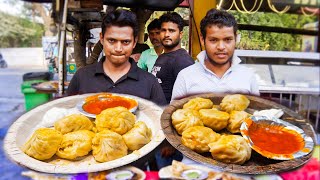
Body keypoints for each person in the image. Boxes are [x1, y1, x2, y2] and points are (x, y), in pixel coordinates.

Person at [67, 9, 166, 106]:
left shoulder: (150, 82)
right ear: (101, 38)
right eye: (112, 40)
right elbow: (65, 115)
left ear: (134, 42)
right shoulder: (82, 77)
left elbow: (159, 119)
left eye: (125, 42)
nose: (118, 48)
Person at [171, 9, 260, 101]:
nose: (221, 47)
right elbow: (173, 113)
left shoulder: (248, 76)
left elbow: (258, 114)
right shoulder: (186, 76)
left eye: (228, 40)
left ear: (236, 38)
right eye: (213, 40)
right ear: (202, 39)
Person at [151, 12, 194, 103]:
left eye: (171, 31)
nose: (166, 34)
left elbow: (188, 99)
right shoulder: (162, 56)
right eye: (163, 30)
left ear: (181, 34)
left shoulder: (183, 61)